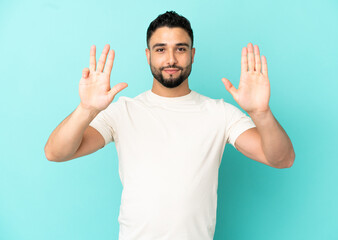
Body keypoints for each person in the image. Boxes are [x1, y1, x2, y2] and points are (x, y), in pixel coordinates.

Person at [44, 11, 295, 240]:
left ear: (192, 54)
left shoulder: (220, 113)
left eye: (181, 49)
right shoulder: (123, 111)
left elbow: (282, 159)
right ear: (148, 54)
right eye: (161, 49)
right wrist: (86, 110)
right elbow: (55, 152)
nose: (171, 59)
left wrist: (261, 113)